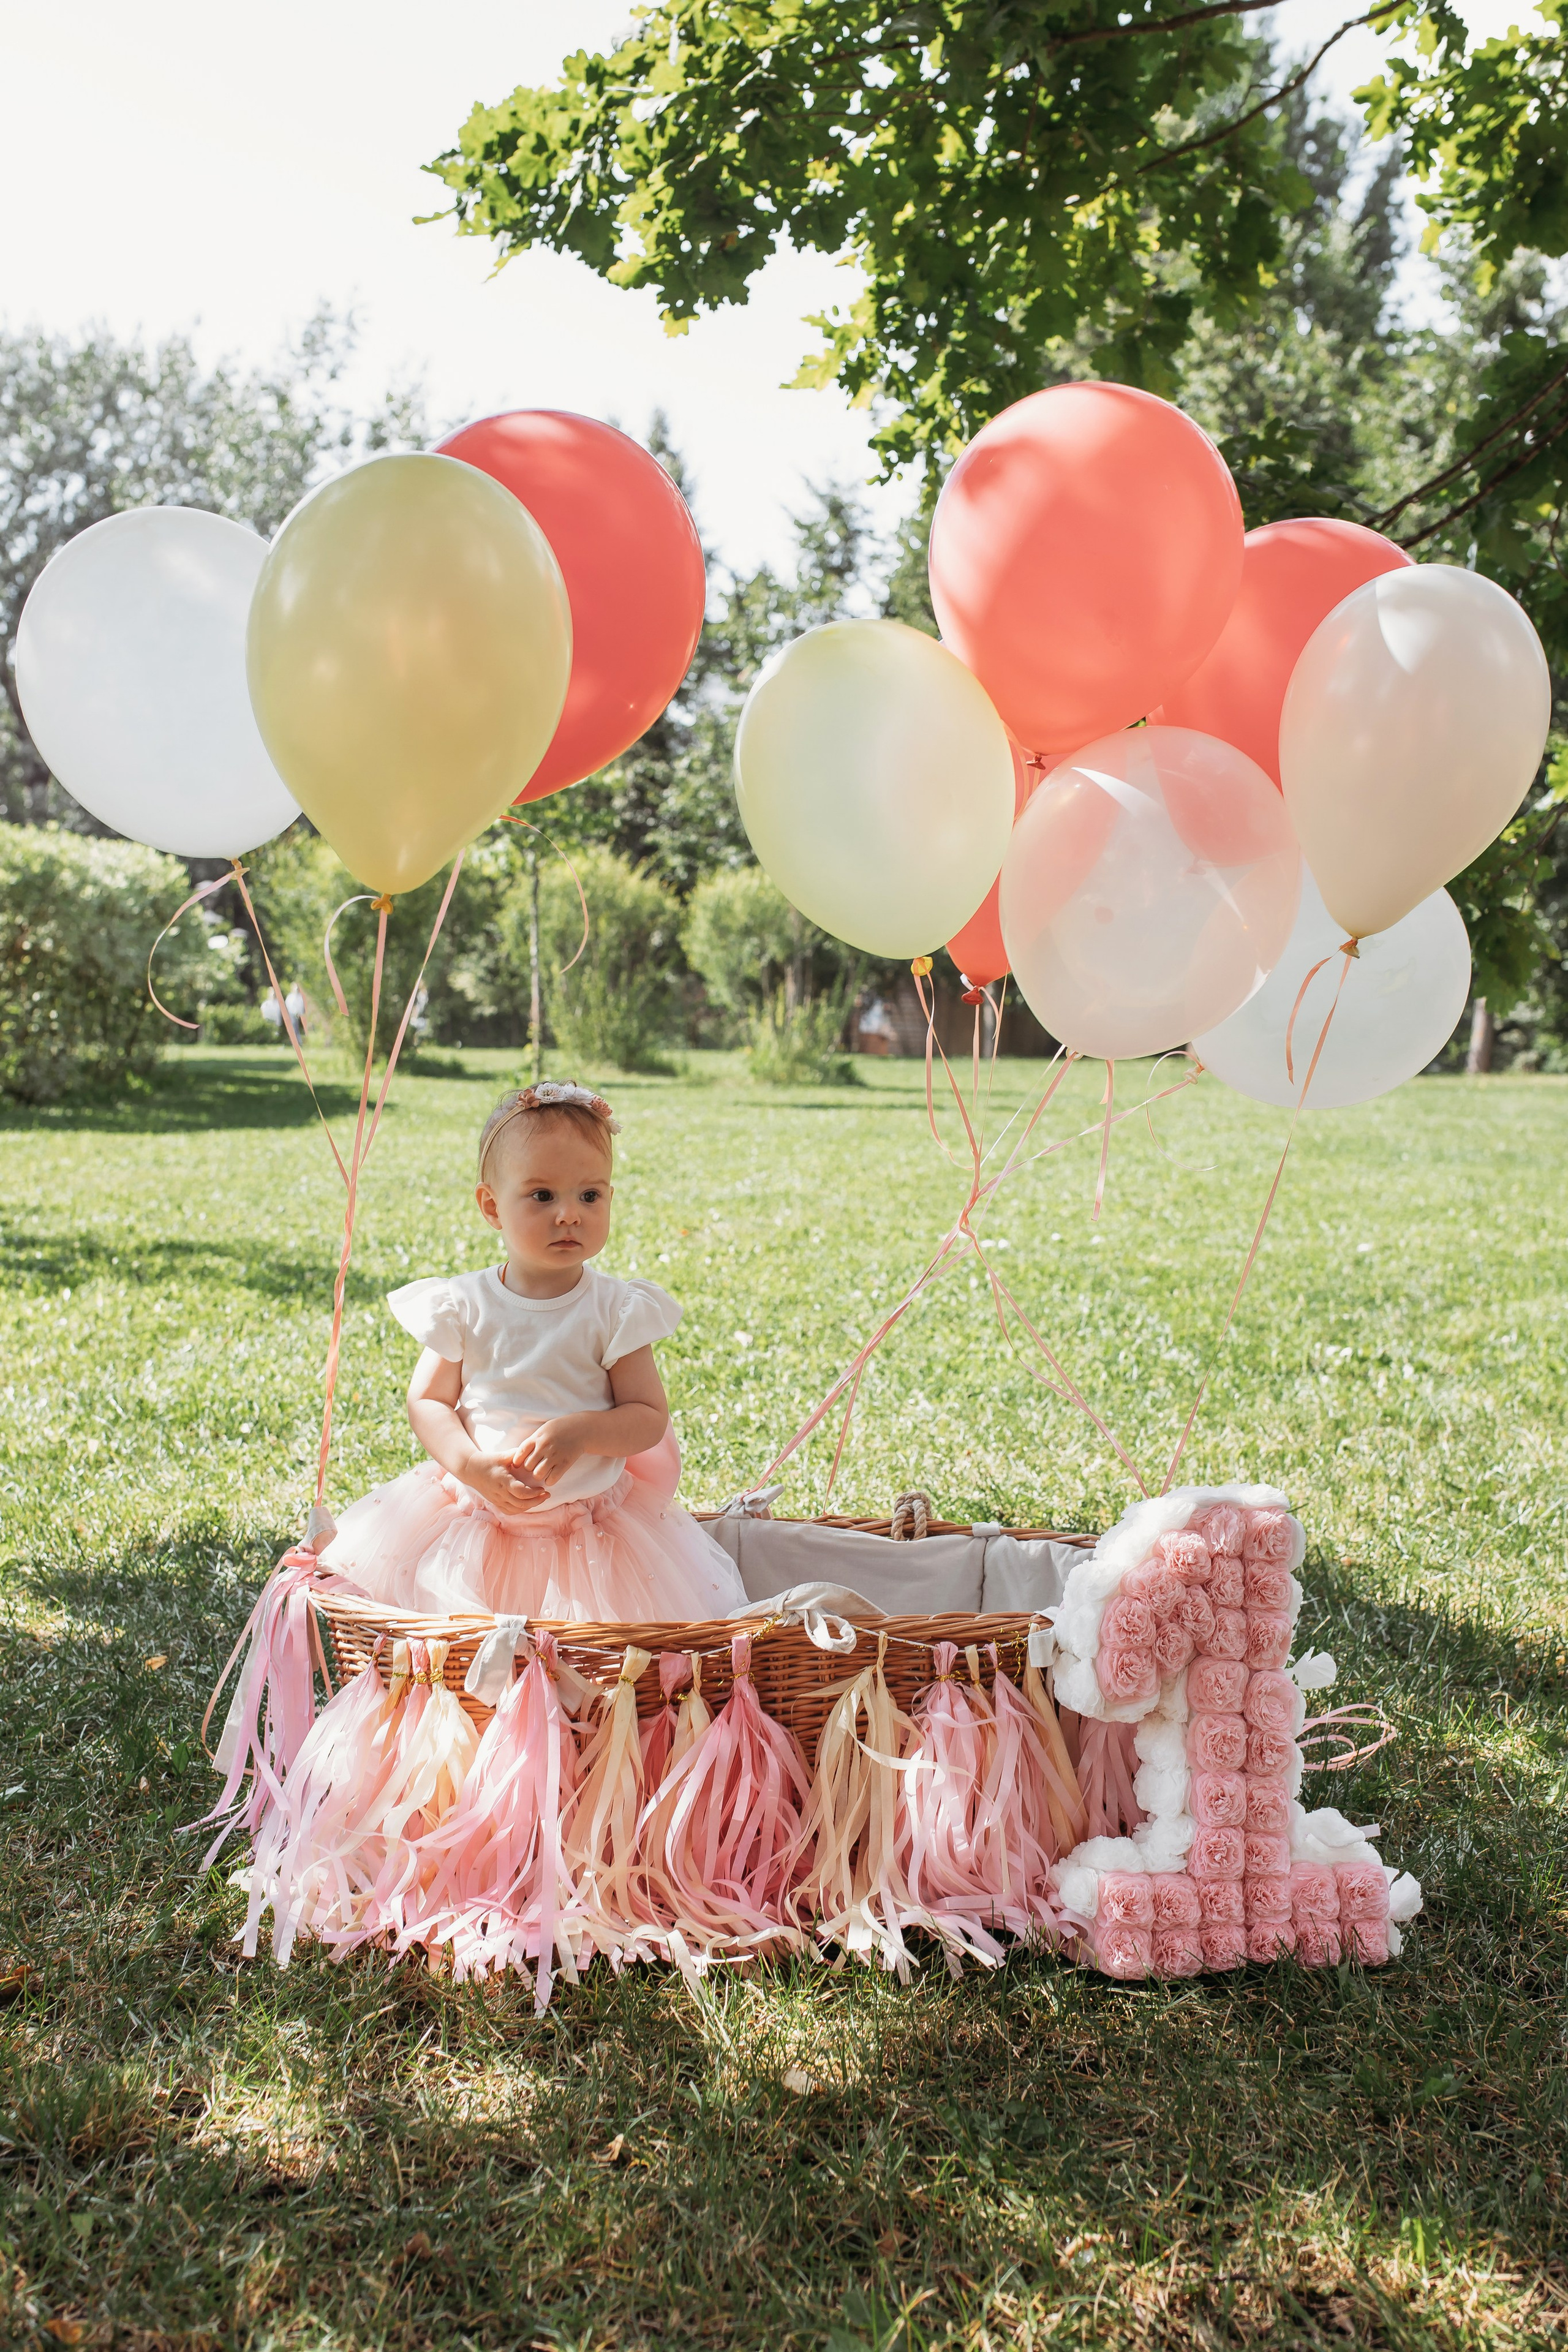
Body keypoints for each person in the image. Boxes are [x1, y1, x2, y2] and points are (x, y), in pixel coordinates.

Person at [322, 1081, 746, 1623]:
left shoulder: (615, 1310)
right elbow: (428, 1401)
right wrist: (469, 1464)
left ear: (610, 1199)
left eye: (589, 1196)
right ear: (492, 1206)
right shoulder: (465, 1305)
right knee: (462, 1639)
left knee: (588, 1654)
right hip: (479, 1517)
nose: (569, 1214)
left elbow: (647, 1418)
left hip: (587, 1528)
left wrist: (585, 1432)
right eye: (543, 1196)